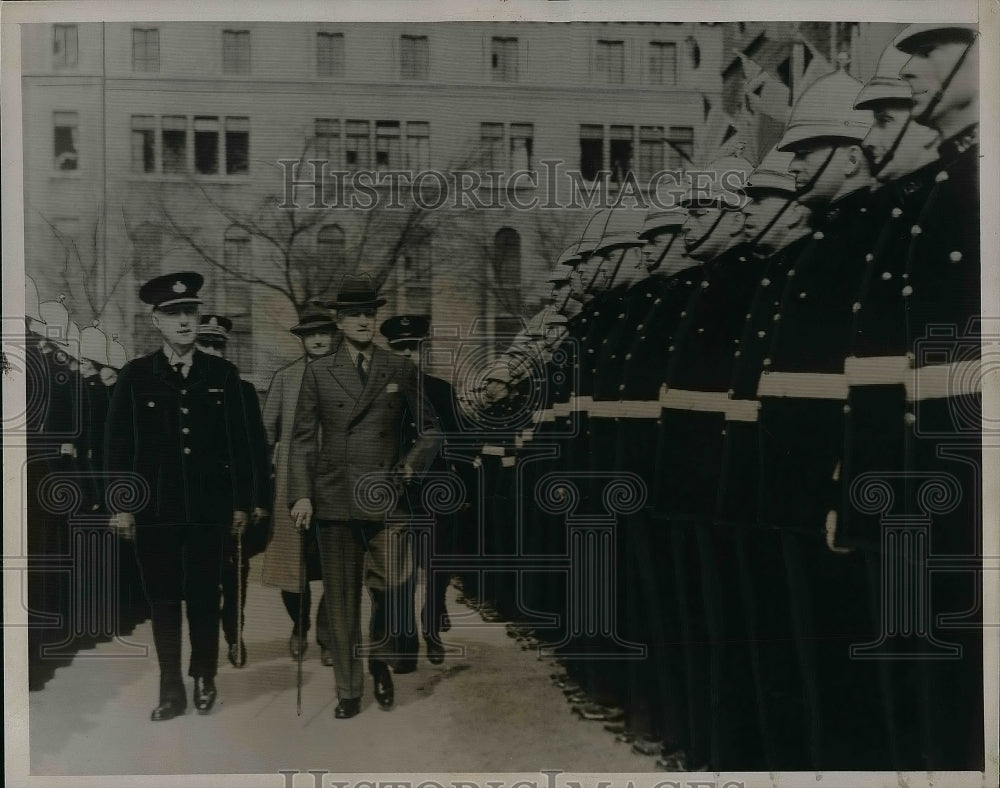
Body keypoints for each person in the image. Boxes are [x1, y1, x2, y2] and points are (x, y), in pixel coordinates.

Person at [288, 274, 441, 720]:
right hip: (334, 498)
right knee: (340, 599)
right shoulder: (318, 371)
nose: (363, 321)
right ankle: (350, 690)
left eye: (369, 313)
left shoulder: (398, 368)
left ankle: (379, 660)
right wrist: (301, 495)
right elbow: (301, 440)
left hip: (386, 498)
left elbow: (430, 428)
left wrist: (410, 466)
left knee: (392, 589)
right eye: (354, 314)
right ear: (339, 321)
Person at [105, 272, 253, 721]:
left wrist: (243, 503)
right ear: (156, 320)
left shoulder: (222, 374)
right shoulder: (135, 376)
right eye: (173, 314)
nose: (185, 322)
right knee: (165, 600)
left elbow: (241, 446)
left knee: (206, 596)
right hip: (155, 510)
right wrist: (122, 505)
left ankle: (204, 676)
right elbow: (117, 447)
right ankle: (170, 687)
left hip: (210, 511)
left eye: (190, 312)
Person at [260, 304, 341, 664]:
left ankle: (327, 636)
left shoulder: (349, 375)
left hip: (337, 481)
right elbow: (266, 431)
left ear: (334, 335)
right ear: (302, 339)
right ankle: (299, 624)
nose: (319, 339)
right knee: (292, 565)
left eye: (325, 332)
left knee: (337, 564)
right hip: (292, 485)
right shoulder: (286, 377)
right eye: (311, 334)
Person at [195, 314, 272, 668]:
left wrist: (258, 499)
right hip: (195, 503)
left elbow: (256, 449)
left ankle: (234, 636)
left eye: (217, 345)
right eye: (205, 344)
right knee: (202, 580)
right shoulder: (184, 388)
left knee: (235, 575)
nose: (212, 350)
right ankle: (206, 646)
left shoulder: (241, 390)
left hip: (233, 501)